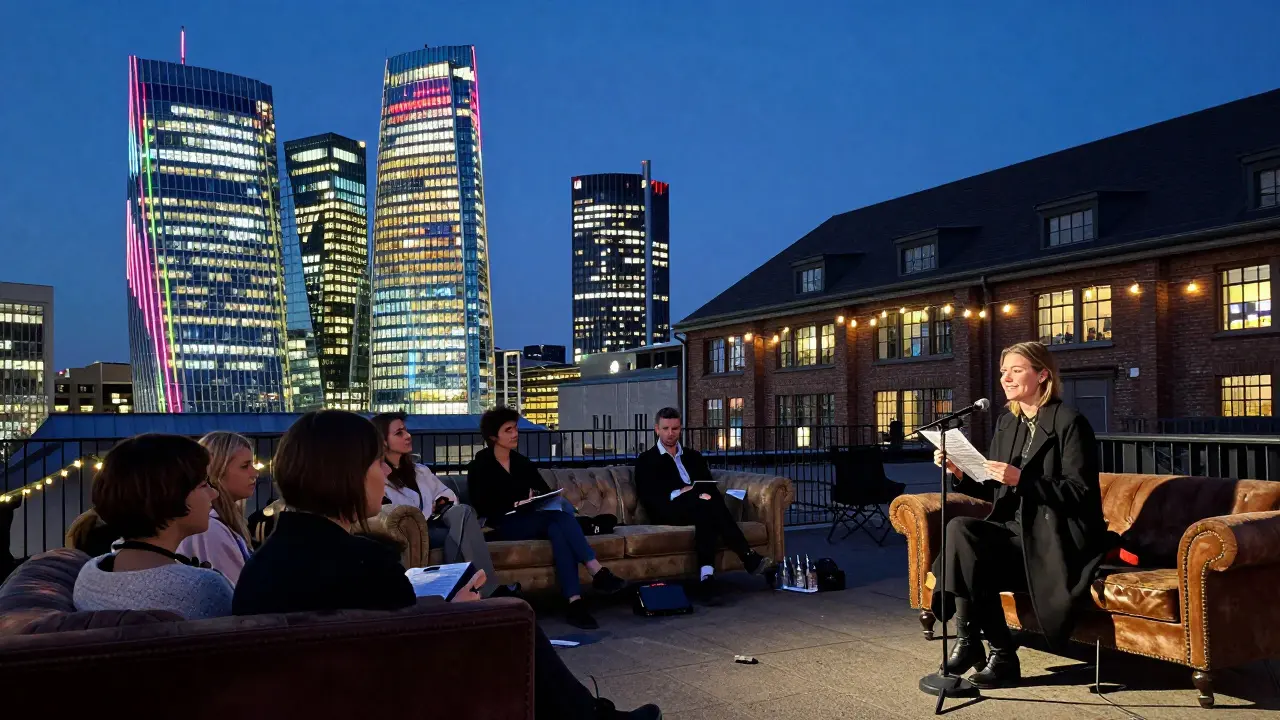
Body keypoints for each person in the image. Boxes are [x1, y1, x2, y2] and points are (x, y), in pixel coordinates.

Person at [233, 410, 660, 720]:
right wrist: (455, 614)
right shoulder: (365, 564)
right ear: (345, 475)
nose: (383, 473)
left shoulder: (262, 566)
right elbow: (408, 658)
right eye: (375, 463)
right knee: (513, 618)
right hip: (390, 697)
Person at [931, 341, 1111, 688]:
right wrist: (958, 472)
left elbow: (1081, 494)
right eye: (1003, 372)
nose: (1005, 378)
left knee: (965, 544)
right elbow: (994, 488)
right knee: (961, 532)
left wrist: (1023, 480)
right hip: (1013, 531)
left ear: (1042, 375)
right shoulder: (1007, 423)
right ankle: (990, 648)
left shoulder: (1070, 422)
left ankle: (980, 646)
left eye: (1016, 370)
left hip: (1054, 536)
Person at [467, 406, 627, 630]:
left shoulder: (521, 462)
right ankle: (596, 571)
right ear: (494, 437)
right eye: (509, 430)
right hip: (504, 524)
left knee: (558, 530)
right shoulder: (479, 466)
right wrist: (515, 502)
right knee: (558, 521)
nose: (515, 434)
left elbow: (542, 490)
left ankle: (575, 603)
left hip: (534, 518)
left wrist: (536, 498)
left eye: (516, 428)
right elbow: (482, 505)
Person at [72, 434, 234, 620]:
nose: (214, 494)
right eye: (204, 485)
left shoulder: (89, 576)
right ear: (171, 495)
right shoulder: (203, 589)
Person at [633, 407, 773, 603]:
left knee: (707, 506)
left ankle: (706, 576)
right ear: (657, 429)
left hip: (698, 507)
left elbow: (708, 485)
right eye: (665, 428)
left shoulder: (693, 457)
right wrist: (681, 492)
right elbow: (650, 497)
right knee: (707, 505)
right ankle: (747, 555)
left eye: (675, 428)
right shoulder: (646, 460)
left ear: (680, 429)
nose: (670, 433)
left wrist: (699, 494)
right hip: (667, 510)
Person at [371, 411, 515, 598]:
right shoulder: (378, 476)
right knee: (461, 530)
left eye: (406, 431)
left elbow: (447, 495)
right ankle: (489, 589)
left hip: (439, 521)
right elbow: (387, 509)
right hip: (416, 531)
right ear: (383, 441)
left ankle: (457, 589)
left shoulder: (420, 471)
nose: (408, 436)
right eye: (399, 433)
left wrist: (439, 504)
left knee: (462, 512)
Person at [176, 431, 256, 584]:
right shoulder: (208, 527)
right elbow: (235, 591)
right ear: (217, 470)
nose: (255, 473)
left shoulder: (220, 522)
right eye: (245, 466)